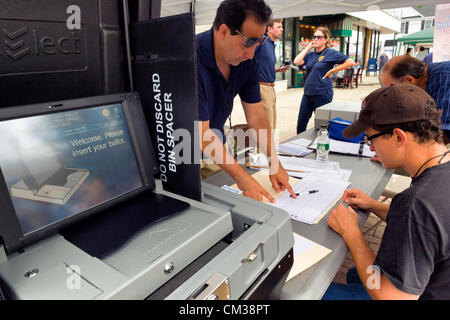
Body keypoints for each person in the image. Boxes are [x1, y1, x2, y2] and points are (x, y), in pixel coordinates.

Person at [323, 84, 450, 300]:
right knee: (356, 273)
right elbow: (430, 229)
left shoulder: (416, 203)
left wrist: (351, 233)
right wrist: (375, 206)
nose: (371, 148)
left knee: (306, 293)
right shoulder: (439, 175)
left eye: (371, 138)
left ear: (398, 137)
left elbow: (391, 297)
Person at [196, 0, 295, 202]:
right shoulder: (189, 59)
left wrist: (274, 163)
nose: (251, 54)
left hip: (214, 152)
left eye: (258, 43)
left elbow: (257, 117)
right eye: (247, 43)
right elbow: (202, 134)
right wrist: (242, 177)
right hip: (178, 153)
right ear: (223, 31)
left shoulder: (247, 63)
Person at [293, 26, 354, 134]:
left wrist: (332, 71)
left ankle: (322, 146)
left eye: (319, 37)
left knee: (323, 125)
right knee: (301, 124)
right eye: (314, 37)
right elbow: (297, 61)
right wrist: (308, 47)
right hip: (307, 94)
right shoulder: (311, 55)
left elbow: (350, 62)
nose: (315, 39)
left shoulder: (330, 53)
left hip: (322, 94)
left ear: (326, 39)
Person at [380, 54, 450, 143]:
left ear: (409, 80)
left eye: (394, 90)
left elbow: (441, 133)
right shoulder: (427, 80)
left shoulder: (443, 78)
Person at [254, 18, 287, 129]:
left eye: (282, 27)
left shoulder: (271, 44)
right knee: (266, 126)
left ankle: (269, 146)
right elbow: (248, 59)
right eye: (279, 27)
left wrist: (278, 69)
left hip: (271, 88)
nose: (282, 29)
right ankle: (265, 146)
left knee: (272, 125)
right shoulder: (261, 41)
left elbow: (263, 66)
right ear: (269, 29)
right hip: (262, 87)